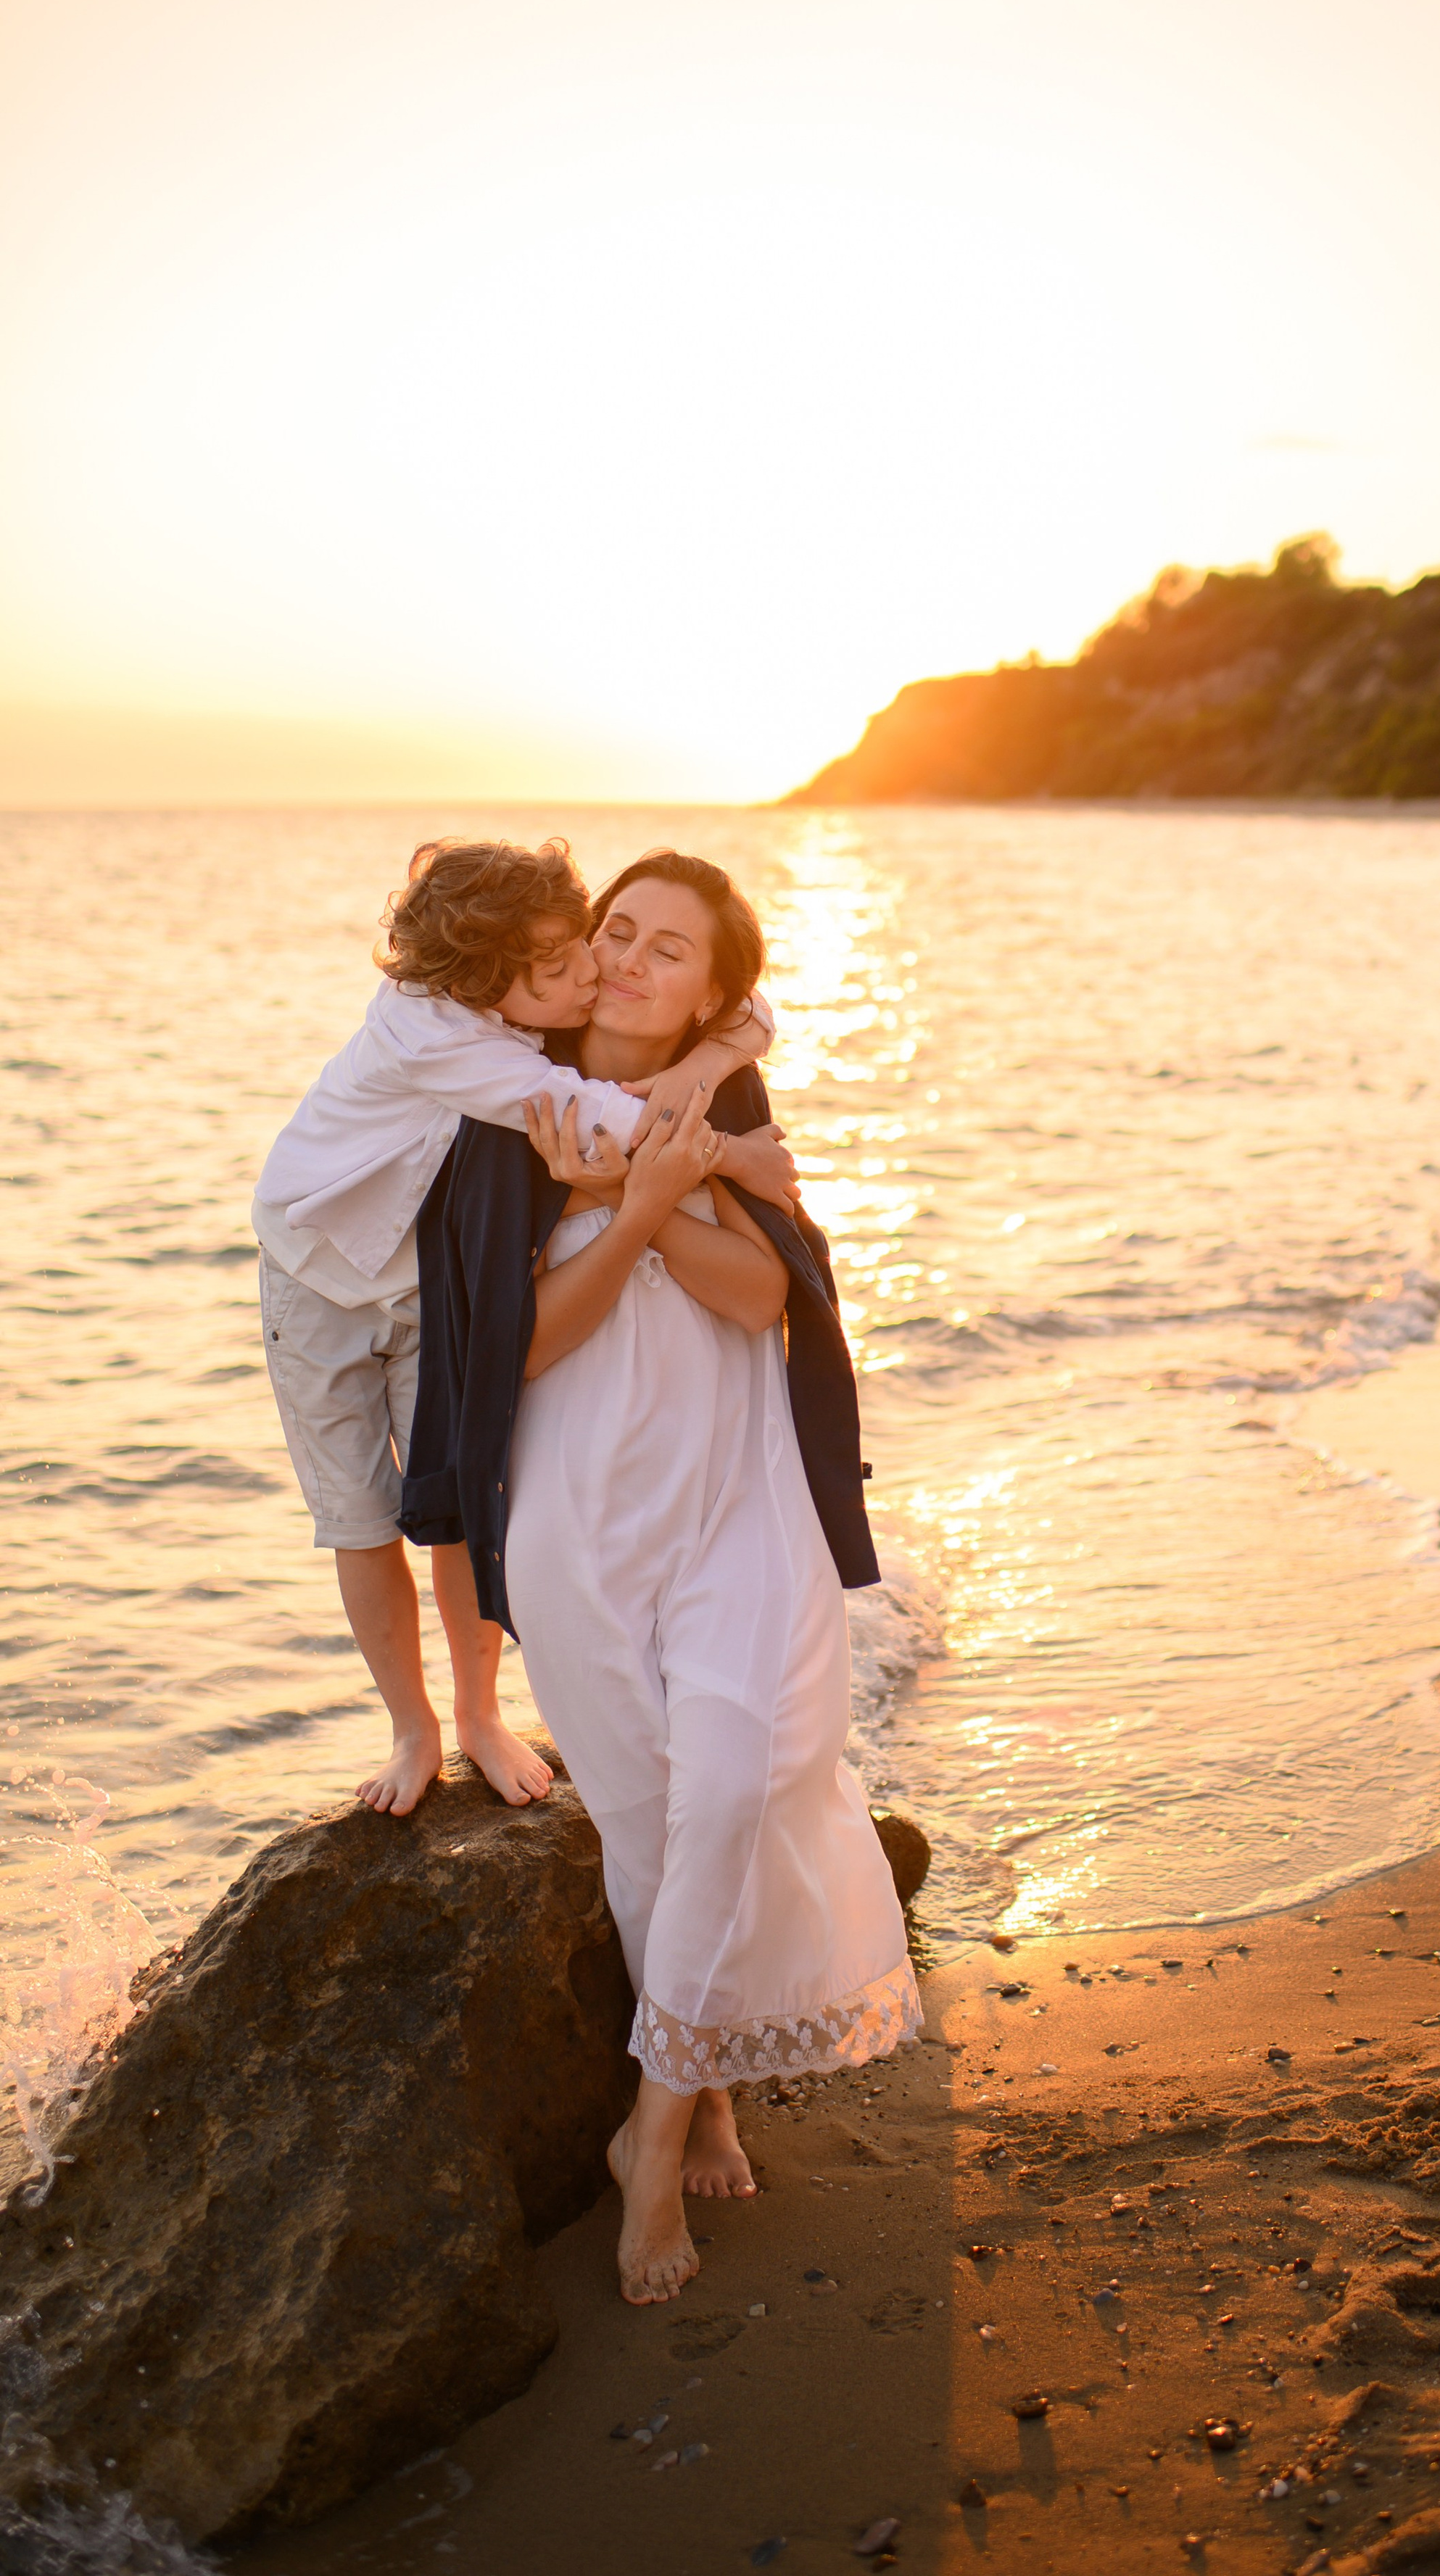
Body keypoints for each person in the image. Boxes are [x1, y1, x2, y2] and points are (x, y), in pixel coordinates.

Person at [405, 848, 918, 2305]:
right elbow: (504, 1352)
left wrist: (682, 1179)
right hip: (575, 1521)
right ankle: (706, 2087)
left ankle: (650, 2128)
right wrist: (634, 1201)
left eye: (666, 947)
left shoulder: (726, 1098)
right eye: (614, 931)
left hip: (729, 1505)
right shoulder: (506, 1113)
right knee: (648, 1822)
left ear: (712, 989)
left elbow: (766, 1298)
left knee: (744, 1777)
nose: (628, 959)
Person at [252, 834, 777, 1817]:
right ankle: (414, 1728)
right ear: (494, 990)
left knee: (459, 1499)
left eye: (588, 946)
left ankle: (481, 1715)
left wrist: (716, 1049)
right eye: (565, 969)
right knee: (360, 1523)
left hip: (421, 1282)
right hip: (315, 1278)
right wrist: (742, 1162)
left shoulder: (522, 1006)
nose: (595, 974)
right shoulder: (447, 1041)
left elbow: (752, 1008)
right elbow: (603, 1129)